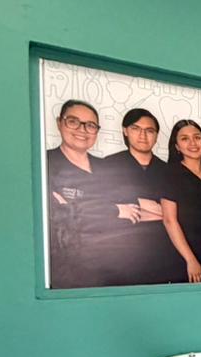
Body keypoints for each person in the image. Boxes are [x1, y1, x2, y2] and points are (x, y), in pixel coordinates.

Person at [46, 99, 141, 288]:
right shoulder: (46, 163)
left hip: (115, 272)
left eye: (90, 125)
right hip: (70, 275)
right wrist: (115, 210)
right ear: (59, 123)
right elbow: (58, 216)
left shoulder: (106, 167)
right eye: (73, 121)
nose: (82, 130)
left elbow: (133, 211)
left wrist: (78, 208)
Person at [104, 108, 185, 285]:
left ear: (156, 136)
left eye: (149, 131)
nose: (143, 135)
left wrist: (132, 204)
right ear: (125, 130)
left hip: (162, 255)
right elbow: (104, 208)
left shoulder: (169, 171)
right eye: (136, 128)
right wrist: (156, 209)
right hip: (121, 255)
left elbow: (176, 216)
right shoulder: (109, 165)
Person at [161, 119, 201, 282]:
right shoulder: (170, 175)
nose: (193, 143)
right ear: (177, 146)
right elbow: (169, 220)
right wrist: (190, 260)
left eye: (197, 137)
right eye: (185, 139)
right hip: (185, 260)